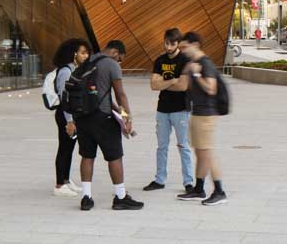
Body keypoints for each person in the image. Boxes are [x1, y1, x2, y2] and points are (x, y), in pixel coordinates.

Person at [69, 39, 143, 211]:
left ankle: (86, 197)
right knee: (115, 156)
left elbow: (103, 94)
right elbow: (120, 94)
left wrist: (117, 110)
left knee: (87, 156)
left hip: (82, 116)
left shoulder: (89, 60)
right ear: (115, 52)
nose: (119, 62)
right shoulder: (111, 64)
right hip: (103, 118)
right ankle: (120, 197)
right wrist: (127, 118)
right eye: (120, 59)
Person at [175, 31, 226, 205]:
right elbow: (183, 86)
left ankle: (220, 191)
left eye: (184, 47)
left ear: (195, 45)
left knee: (207, 153)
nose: (182, 51)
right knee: (200, 153)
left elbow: (211, 88)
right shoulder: (193, 64)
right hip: (196, 113)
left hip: (206, 115)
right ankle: (199, 189)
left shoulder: (205, 63)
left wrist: (197, 75)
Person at [144, 27, 195, 195]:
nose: (168, 47)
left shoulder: (185, 60)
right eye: (166, 43)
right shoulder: (159, 60)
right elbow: (153, 85)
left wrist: (164, 83)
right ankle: (160, 180)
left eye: (172, 43)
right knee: (162, 146)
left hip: (181, 109)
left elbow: (183, 86)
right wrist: (173, 80)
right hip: (163, 109)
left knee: (183, 146)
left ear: (178, 43)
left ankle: (188, 182)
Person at [50, 37, 89, 197]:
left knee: (69, 148)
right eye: (83, 53)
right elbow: (64, 97)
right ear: (74, 54)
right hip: (66, 114)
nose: (86, 56)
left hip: (74, 114)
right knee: (64, 148)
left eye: (87, 53)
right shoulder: (66, 71)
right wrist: (70, 121)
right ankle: (60, 184)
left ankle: (66, 180)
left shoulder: (75, 69)